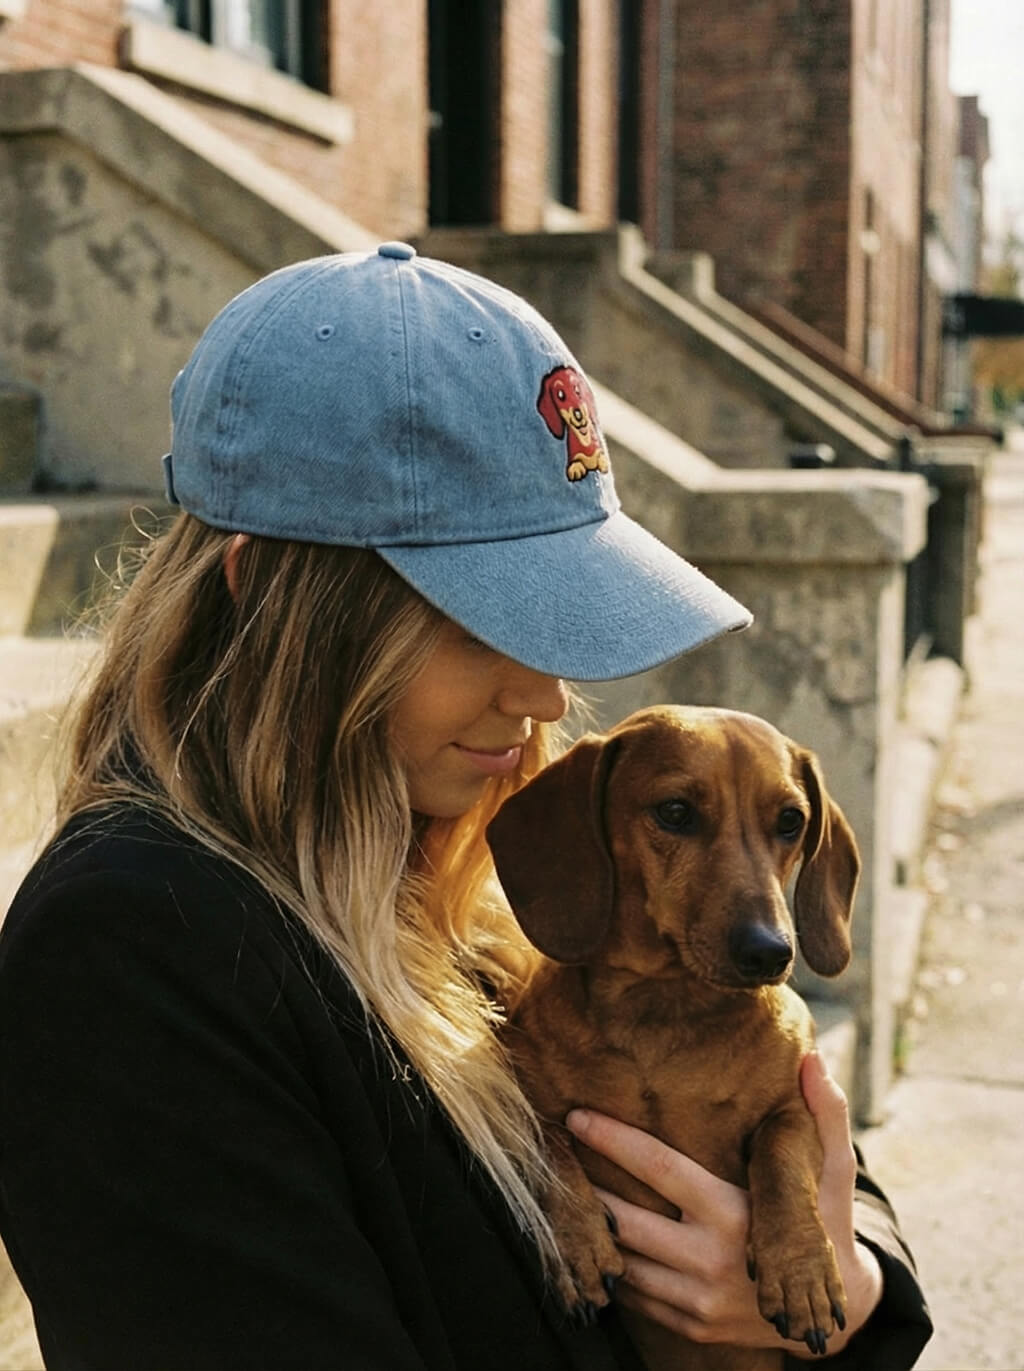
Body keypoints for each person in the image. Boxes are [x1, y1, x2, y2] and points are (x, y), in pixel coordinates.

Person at [0, 242, 932, 1370]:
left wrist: (848, 1271)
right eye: (477, 618)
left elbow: (791, 1112)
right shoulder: (135, 952)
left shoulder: (472, 836)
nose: (545, 692)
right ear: (268, 603)